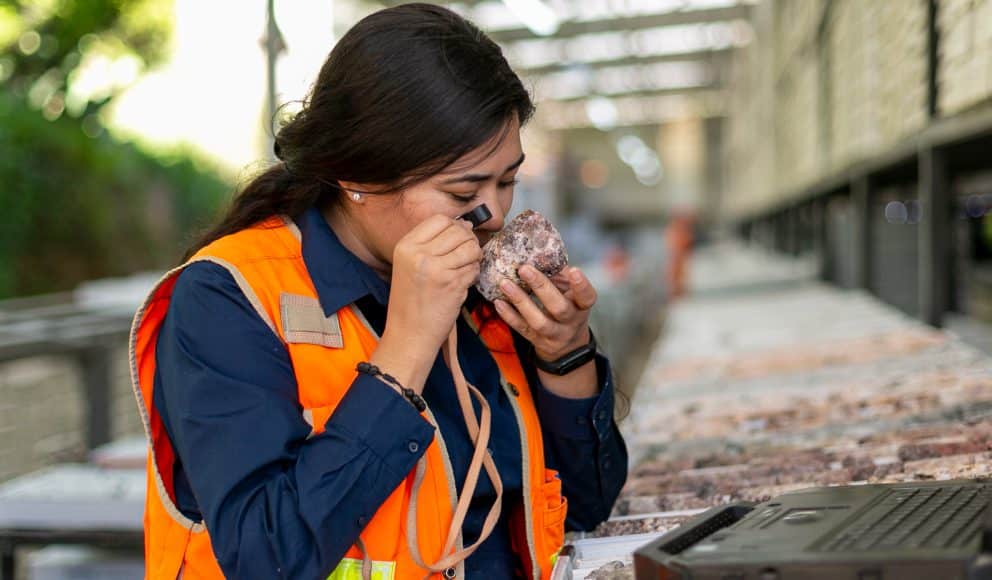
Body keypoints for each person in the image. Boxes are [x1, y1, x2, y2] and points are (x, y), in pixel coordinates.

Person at [130, 4, 627, 579]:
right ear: (356, 175)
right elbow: (266, 557)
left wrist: (565, 355)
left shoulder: (481, 301)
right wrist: (405, 353)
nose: (492, 215)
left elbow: (589, 506)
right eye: (464, 189)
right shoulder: (225, 300)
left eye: (508, 179)